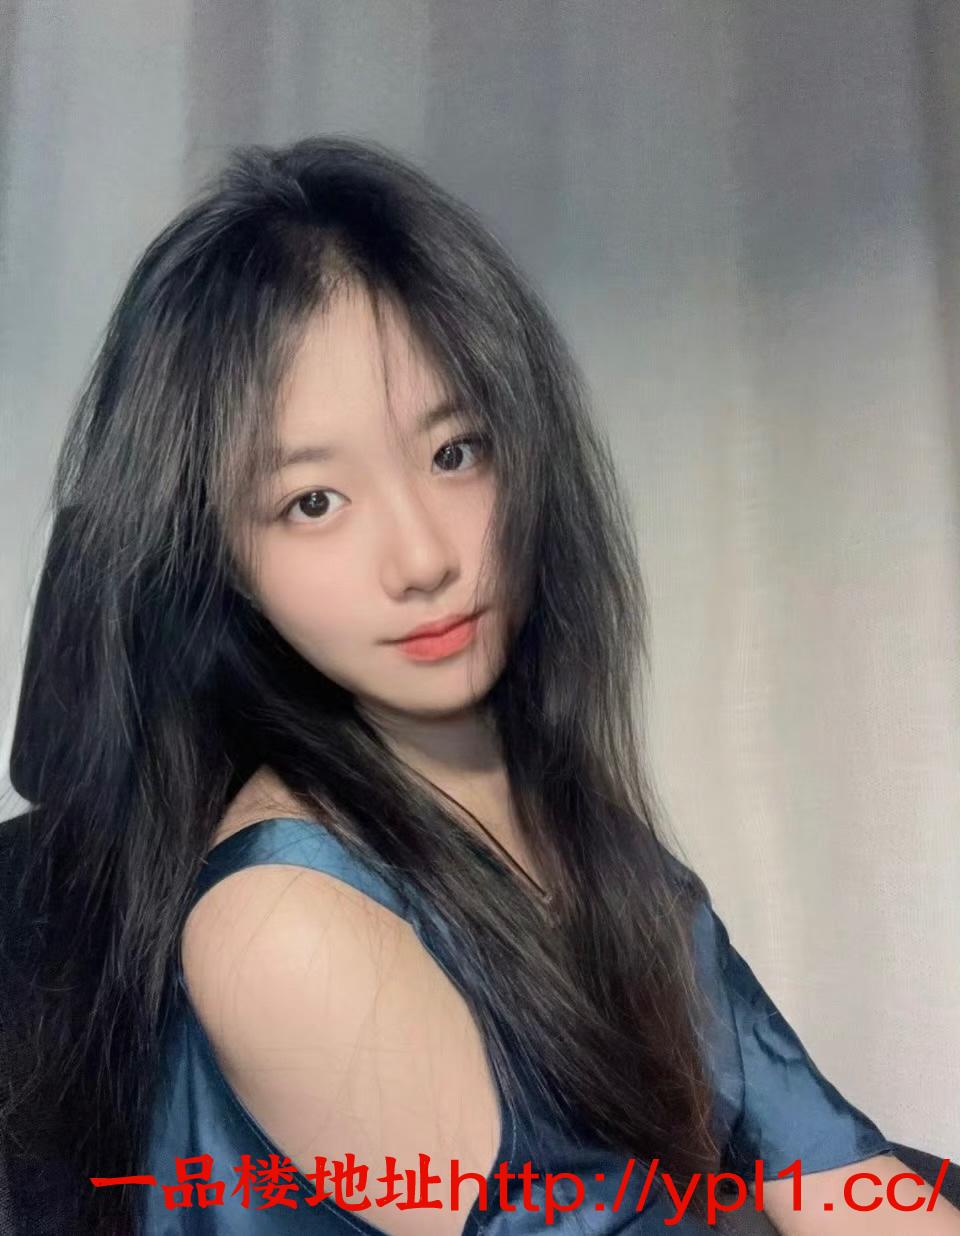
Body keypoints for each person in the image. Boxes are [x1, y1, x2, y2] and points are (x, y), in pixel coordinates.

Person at [1, 136, 957, 1236]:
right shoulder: (283, 926)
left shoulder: (553, 816)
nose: (422, 558)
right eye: (313, 502)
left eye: (454, 452)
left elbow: (830, 1171)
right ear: (221, 560)